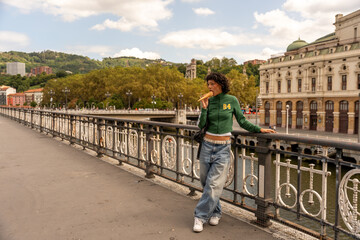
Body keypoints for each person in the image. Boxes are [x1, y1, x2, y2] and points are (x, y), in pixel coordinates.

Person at [193, 72, 276, 233]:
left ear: (220, 84)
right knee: (206, 183)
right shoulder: (208, 101)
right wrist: (204, 109)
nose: (209, 87)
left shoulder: (231, 100)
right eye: (208, 84)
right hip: (206, 145)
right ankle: (216, 212)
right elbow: (201, 125)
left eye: (212, 84)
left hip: (223, 147)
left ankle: (200, 216)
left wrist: (259, 129)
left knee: (213, 184)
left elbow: (242, 121)